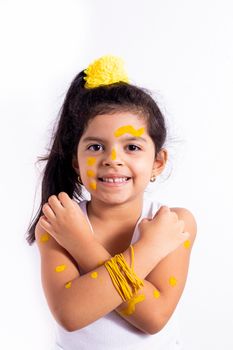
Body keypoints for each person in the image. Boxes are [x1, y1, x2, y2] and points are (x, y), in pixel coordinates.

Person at [26, 55, 197, 350]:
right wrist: (148, 250)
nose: (113, 159)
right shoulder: (57, 222)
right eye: (95, 147)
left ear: (158, 162)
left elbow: (154, 318)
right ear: (76, 163)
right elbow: (70, 314)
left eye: (132, 147)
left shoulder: (172, 224)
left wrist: (81, 245)